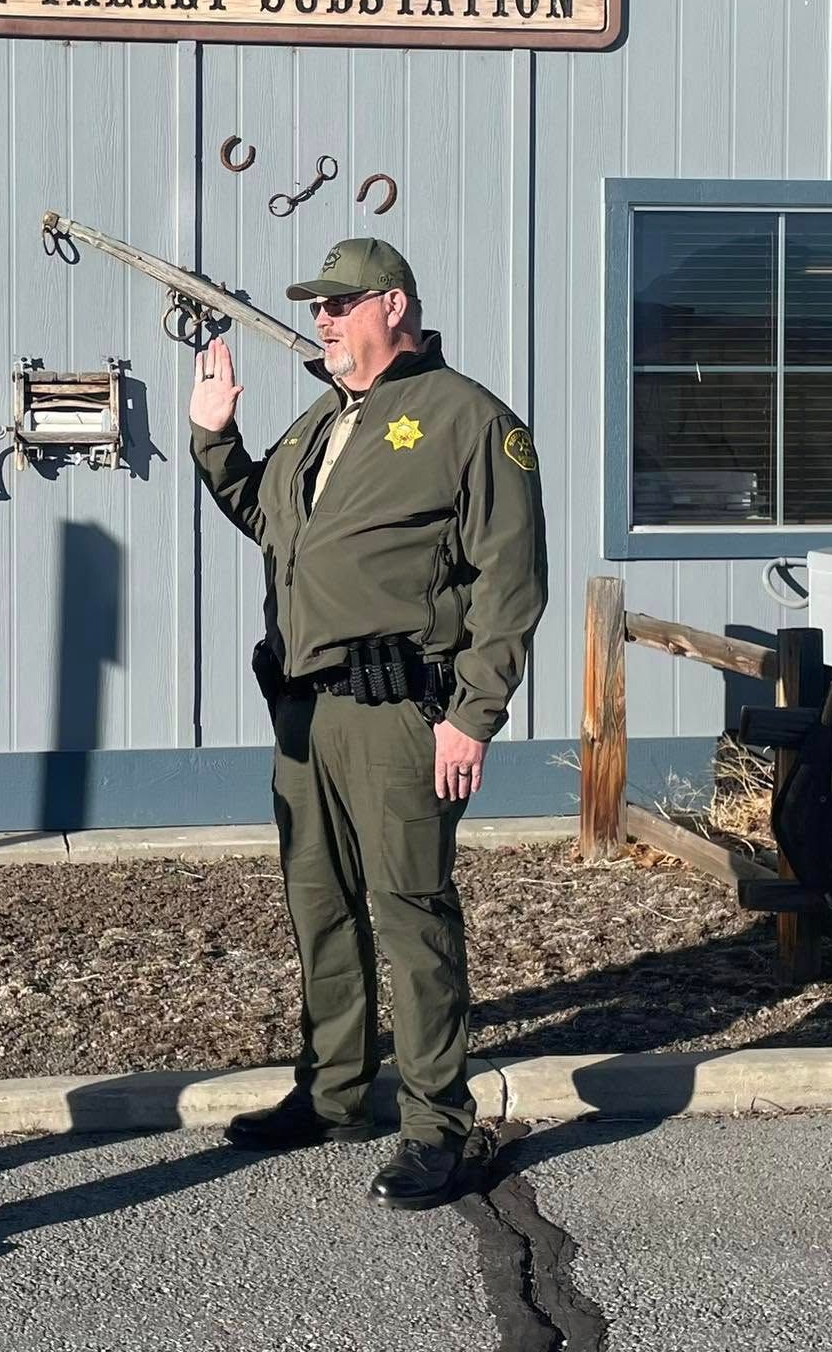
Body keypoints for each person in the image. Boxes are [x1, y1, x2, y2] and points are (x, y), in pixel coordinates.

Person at [188, 238, 548, 1210]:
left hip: (401, 714)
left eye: (339, 305)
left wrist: (472, 716)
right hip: (306, 714)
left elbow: (508, 585)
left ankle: (438, 1126)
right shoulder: (322, 421)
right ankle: (335, 1091)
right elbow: (269, 522)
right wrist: (213, 434)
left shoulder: (466, 421)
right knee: (321, 906)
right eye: (315, 307)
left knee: (411, 916)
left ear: (393, 305)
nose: (322, 321)